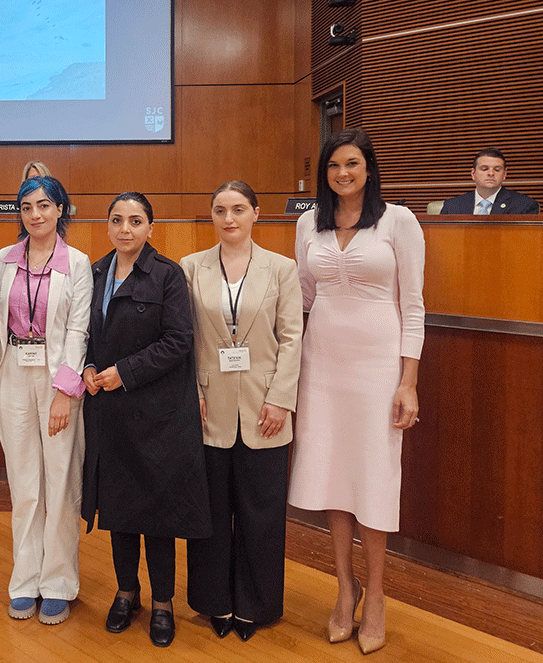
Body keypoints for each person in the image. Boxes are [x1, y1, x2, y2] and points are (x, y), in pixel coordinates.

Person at [288, 128, 424, 655]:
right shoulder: (308, 223)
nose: (342, 174)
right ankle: (344, 587)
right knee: (329, 477)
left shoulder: (399, 221)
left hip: (377, 369)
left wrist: (408, 381)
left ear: (369, 167)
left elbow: (412, 306)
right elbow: (301, 296)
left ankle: (378, 596)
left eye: (351, 164)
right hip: (320, 363)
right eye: (333, 167)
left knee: (373, 478)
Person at [81, 192, 210, 647]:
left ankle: (162, 604)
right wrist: (90, 368)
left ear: (150, 228)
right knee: (119, 512)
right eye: (117, 220)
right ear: (108, 226)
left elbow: (179, 341)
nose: (125, 229)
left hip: (156, 417)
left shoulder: (168, 275)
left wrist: (125, 372)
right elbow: (85, 335)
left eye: (136, 221)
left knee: (157, 515)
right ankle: (126, 593)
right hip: (109, 413)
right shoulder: (95, 272)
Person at [180, 180, 303, 642]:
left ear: (256, 213)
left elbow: (292, 337)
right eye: (219, 210)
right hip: (209, 405)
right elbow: (184, 338)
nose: (228, 218)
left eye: (237, 209)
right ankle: (217, 601)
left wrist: (280, 398)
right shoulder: (191, 268)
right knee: (211, 510)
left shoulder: (281, 269)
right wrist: (192, 392)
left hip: (264, 407)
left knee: (262, 512)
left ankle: (256, 603)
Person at [0, 175, 91, 625]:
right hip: (11, 377)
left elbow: (81, 329)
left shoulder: (78, 262)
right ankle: (25, 580)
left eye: (44, 205)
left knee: (61, 484)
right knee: (24, 485)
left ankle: (59, 582)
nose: (35, 215)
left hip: (56, 381)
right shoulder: (5, 258)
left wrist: (65, 392)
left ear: (60, 209)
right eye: (27, 207)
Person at [439, 148, 539, 215]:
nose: (491, 173)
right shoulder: (451, 207)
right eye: (484, 169)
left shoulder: (525, 206)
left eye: (497, 169)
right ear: (473, 173)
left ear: (504, 174)